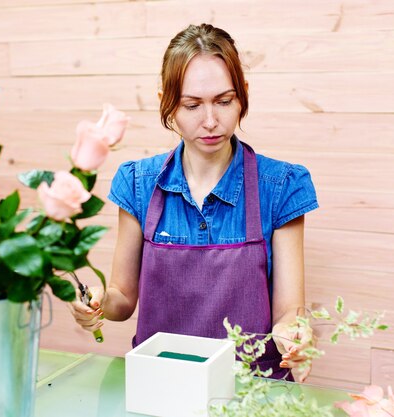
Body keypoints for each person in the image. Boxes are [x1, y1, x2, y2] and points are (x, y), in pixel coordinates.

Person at [69, 23, 318, 382]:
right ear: (167, 104)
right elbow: (122, 300)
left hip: (250, 393)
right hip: (160, 385)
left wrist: (295, 339)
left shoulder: (282, 186)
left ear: (243, 95)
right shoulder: (138, 183)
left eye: (224, 101)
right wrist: (95, 303)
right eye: (192, 105)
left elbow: (287, 314)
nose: (211, 121)